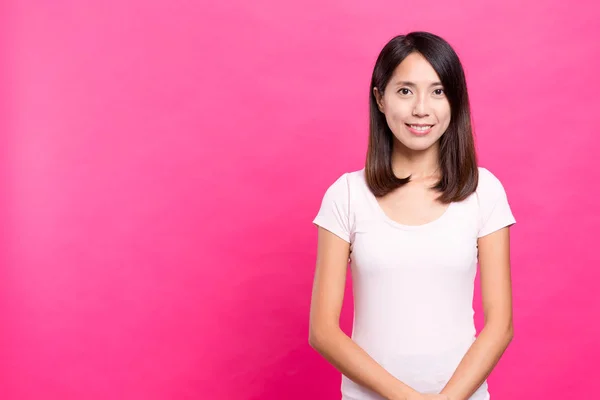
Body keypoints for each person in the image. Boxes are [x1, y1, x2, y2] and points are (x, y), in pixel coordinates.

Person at [308, 31, 516, 400]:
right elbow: (322, 330)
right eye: (405, 91)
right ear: (380, 98)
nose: (422, 108)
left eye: (438, 91)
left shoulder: (485, 191)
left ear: (455, 100)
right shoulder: (347, 196)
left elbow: (500, 325)